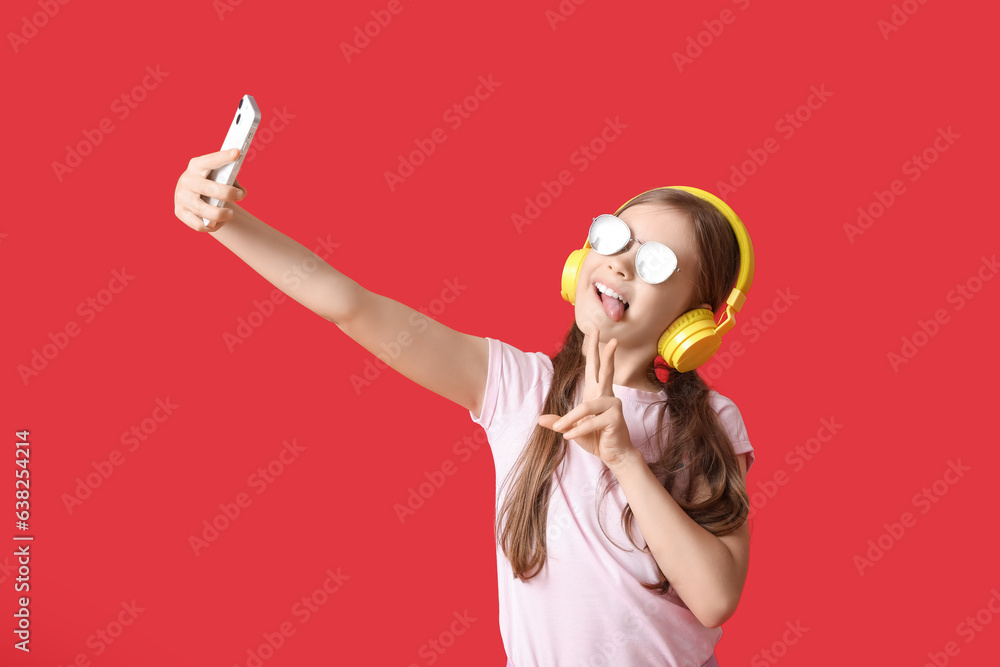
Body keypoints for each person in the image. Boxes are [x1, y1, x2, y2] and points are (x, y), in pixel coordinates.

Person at [173, 148, 756, 667]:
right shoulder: (518, 386)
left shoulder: (709, 421)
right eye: (615, 239)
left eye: (656, 264)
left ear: (693, 323)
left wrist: (625, 459)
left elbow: (713, 600)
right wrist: (225, 220)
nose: (623, 264)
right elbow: (350, 305)